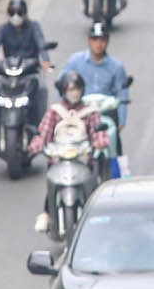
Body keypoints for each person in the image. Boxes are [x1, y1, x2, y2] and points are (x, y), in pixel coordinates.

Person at [28, 71, 108, 233]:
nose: (74, 92)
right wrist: (35, 146)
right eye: (70, 89)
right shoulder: (54, 112)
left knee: (95, 188)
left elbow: (98, 133)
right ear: (63, 91)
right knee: (53, 183)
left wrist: (100, 142)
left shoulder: (90, 112)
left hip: (83, 160)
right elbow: (43, 133)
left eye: (76, 88)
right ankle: (46, 213)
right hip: (58, 160)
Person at [0, 0, 52, 143]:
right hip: (10, 72)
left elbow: (41, 43)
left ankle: (38, 127)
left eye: (19, 12)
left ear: (25, 13)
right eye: (12, 12)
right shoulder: (3, 29)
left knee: (40, 89)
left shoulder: (33, 27)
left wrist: (45, 61)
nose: (15, 16)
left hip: (29, 72)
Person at [61, 21, 132, 168]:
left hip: (106, 113)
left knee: (116, 150)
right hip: (80, 112)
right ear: (89, 40)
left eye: (102, 40)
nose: (98, 44)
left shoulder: (116, 67)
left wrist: (121, 119)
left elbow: (122, 92)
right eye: (95, 39)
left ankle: (120, 178)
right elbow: (62, 84)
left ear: (108, 41)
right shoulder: (75, 61)